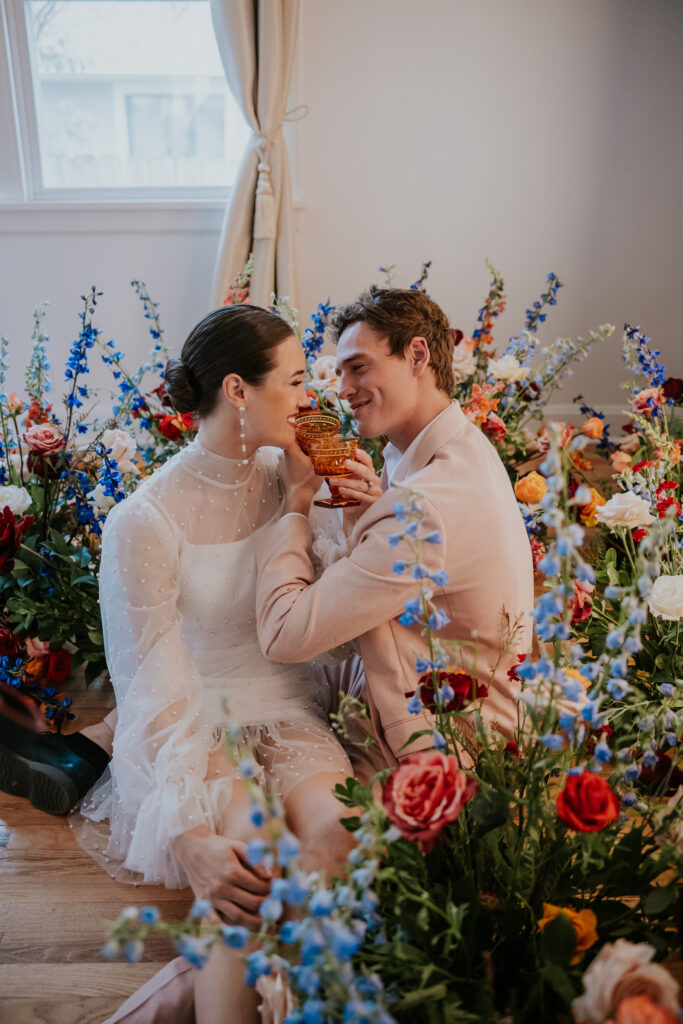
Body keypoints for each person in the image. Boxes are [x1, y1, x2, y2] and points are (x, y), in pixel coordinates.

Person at [65, 303, 365, 1024]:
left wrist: (343, 507)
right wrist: (187, 834)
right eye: (293, 383)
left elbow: (332, 610)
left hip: (287, 699)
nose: (307, 401)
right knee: (254, 861)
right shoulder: (144, 519)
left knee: (339, 837)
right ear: (238, 391)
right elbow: (152, 686)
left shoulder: (292, 473)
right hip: (197, 715)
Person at [254, 286, 535, 762]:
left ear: (418, 355)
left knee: (252, 702)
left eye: (358, 367)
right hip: (445, 684)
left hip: (441, 736)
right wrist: (367, 514)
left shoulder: (422, 505)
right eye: (340, 373)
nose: (342, 389)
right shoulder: (458, 447)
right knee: (238, 681)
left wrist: (297, 503)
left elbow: (284, 636)